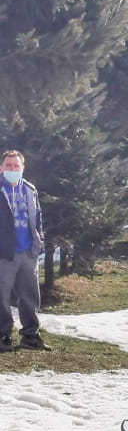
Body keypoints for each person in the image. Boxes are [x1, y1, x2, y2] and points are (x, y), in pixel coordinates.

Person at [0, 150, 48, 351]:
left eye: (16, 166)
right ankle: (3, 337)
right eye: (8, 165)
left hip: (28, 252)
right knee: (1, 298)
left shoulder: (29, 189)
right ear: (1, 168)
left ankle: (30, 337)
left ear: (22, 168)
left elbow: (37, 218)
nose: (12, 169)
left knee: (29, 296)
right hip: (4, 254)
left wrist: (39, 242)